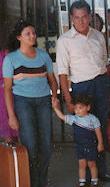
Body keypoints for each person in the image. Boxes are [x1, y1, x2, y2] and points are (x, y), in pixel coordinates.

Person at [56, 0, 110, 183]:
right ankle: (86, 176)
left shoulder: (99, 36)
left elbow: (105, 65)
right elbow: (63, 73)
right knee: (84, 130)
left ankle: (100, 172)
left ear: (90, 17)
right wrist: (68, 99)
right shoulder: (64, 41)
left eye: (84, 17)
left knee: (100, 128)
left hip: (101, 83)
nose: (81, 22)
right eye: (77, 18)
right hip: (82, 88)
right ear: (71, 18)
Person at [3, 21, 58, 187]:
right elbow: (7, 90)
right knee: (31, 146)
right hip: (23, 102)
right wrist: (11, 116)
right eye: (28, 33)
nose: (32, 36)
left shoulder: (43, 55)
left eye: (33, 33)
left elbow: (52, 81)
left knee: (45, 146)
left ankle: (41, 182)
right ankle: (32, 183)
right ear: (19, 37)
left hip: (43, 102)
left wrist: (54, 96)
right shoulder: (10, 59)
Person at [52, 93, 103, 187]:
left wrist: (100, 143)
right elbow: (62, 117)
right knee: (82, 165)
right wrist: (56, 108)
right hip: (80, 146)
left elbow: (98, 132)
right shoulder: (74, 119)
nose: (78, 111)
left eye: (80, 108)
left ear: (88, 107)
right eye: (76, 108)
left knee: (92, 164)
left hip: (91, 146)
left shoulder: (93, 119)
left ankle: (95, 181)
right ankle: (82, 181)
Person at [0, 47, 19, 143]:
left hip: (12, 93)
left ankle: (20, 157)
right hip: (4, 97)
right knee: (7, 127)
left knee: (18, 127)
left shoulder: (5, 54)